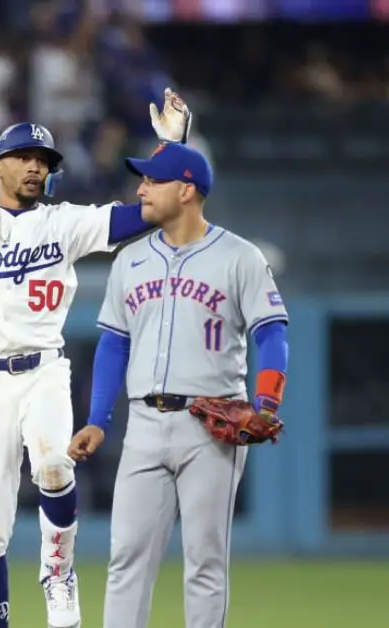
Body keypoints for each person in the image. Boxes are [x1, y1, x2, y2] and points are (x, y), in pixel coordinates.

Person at [0, 25, 191, 628]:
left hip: (45, 368)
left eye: (45, 162)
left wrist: (169, 151)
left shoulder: (64, 223)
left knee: (54, 466)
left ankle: (58, 575)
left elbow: (149, 212)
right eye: (26, 157)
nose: (36, 168)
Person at [68, 142, 289, 628]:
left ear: (186, 190)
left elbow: (271, 333)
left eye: (153, 180)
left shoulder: (239, 256)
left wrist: (267, 400)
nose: (141, 188)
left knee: (205, 563)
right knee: (126, 561)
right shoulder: (130, 259)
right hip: (144, 425)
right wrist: (98, 420)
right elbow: (112, 345)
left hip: (211, 425)